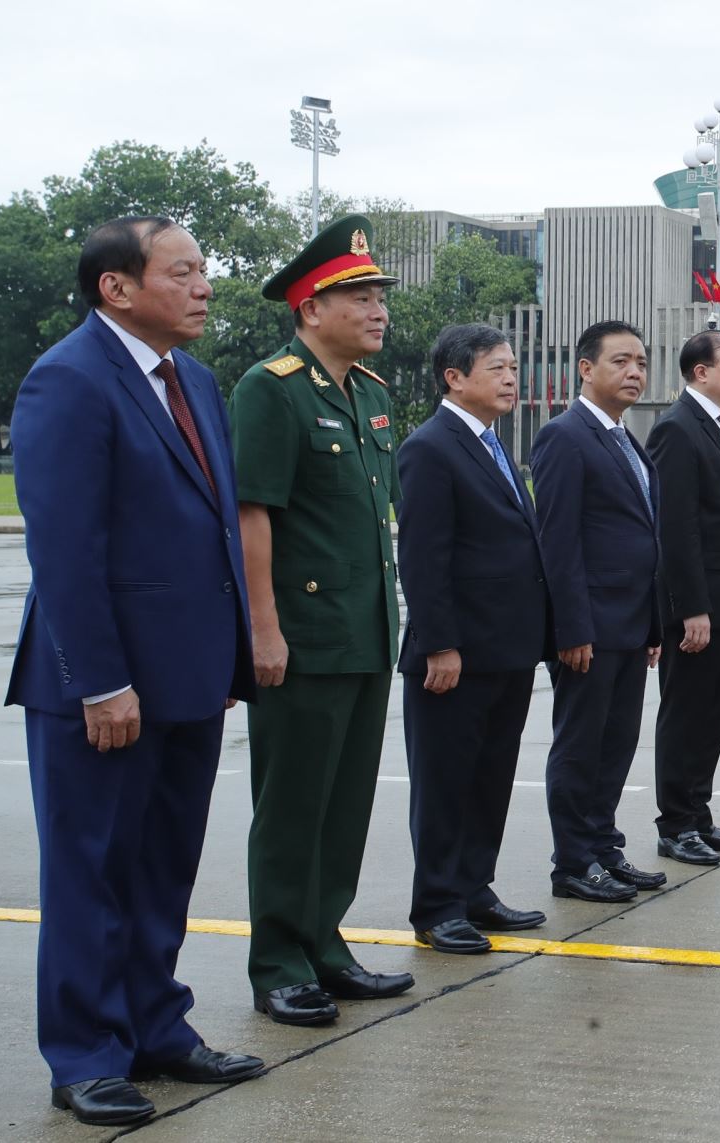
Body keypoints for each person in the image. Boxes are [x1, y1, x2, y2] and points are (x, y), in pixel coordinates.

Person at [7, 217, 264, 1126]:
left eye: (205, 271)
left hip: (187, 676)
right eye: (183, 271)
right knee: (91, 873)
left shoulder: (190, 378)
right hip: (103, 686)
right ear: (117, 287)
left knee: (162, 866)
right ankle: (84, 1052)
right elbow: (67, 549)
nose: (204, 286)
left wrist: (228, 655)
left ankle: (157, 1025)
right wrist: (99, 681)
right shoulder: (70, 379)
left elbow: (214, 532)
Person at [231, 215, 413, 1025]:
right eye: (360, 295)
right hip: (302, 639)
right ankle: (278, 961)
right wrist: (262, 630)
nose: (379, 310)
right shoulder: (270, 389)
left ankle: (325, 945)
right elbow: (253, 516)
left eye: (379, 295)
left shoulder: (371, 394)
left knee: (344, 805)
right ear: (310, 307)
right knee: (292, 806)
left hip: (366, 631)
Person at [395, 324, 550, 954]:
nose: (511, 378)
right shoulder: (430, 447)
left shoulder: (493, 445)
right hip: (455, 653)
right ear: (454, 378)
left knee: (491, 777)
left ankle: (474, 888)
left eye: (513, 368)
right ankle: (437, 905)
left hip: (506, 648)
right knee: (446, 782)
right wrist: (438, 642)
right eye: (497, 368)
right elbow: (424, 556)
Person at [532, 320, 666, 903]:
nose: (635, 371)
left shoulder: (624, 437)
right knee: (581, 746)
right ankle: (573, 862)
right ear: (585, 369)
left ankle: (603, 848)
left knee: (616, 744)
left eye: (640, 361)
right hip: (589, 628)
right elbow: (557, 541)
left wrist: (652, 627)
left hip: (630, 626)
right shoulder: (565, 436)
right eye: (621, 361)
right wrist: (571, 627)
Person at [646, 330, 720, 865]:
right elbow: (676, 528)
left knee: (713, 712)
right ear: (700, 372)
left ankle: (698, 814)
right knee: (687, 711)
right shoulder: (676, 429)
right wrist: (691, 606)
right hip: (702, 608)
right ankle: (675, 824)